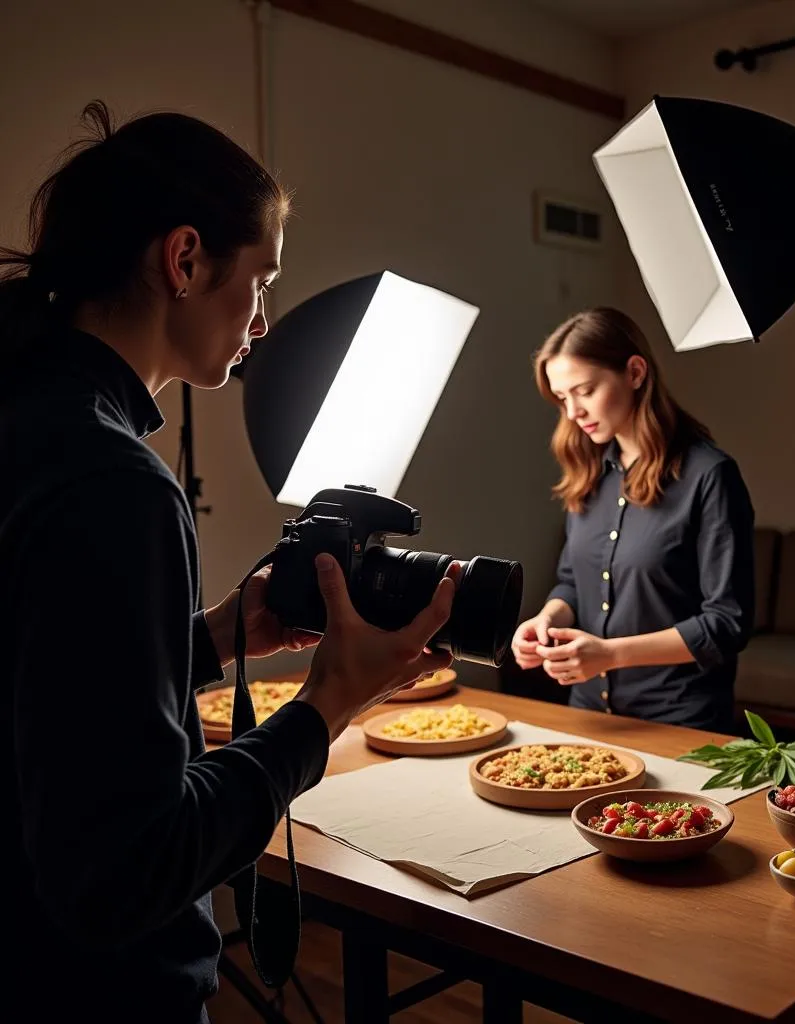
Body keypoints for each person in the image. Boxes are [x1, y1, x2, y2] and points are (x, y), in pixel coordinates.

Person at [0, 101, 456, 1023]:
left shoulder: (25, 421)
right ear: (184, 260)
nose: (262, 319)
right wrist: (328, 704)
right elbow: (128, 869)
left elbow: (41, 696)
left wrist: (209, 638)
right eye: (261, 281)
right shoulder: (113, 482)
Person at [511, 307, 756, 731]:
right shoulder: (586, 471)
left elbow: (726, 624)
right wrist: (546, 619)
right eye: (562, 398)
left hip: (680, 722)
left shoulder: (709, 476)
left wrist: (609, 654)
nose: (572, 412)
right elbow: (572, 582)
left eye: (584, 390)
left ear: (636, 372)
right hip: (587, 715)